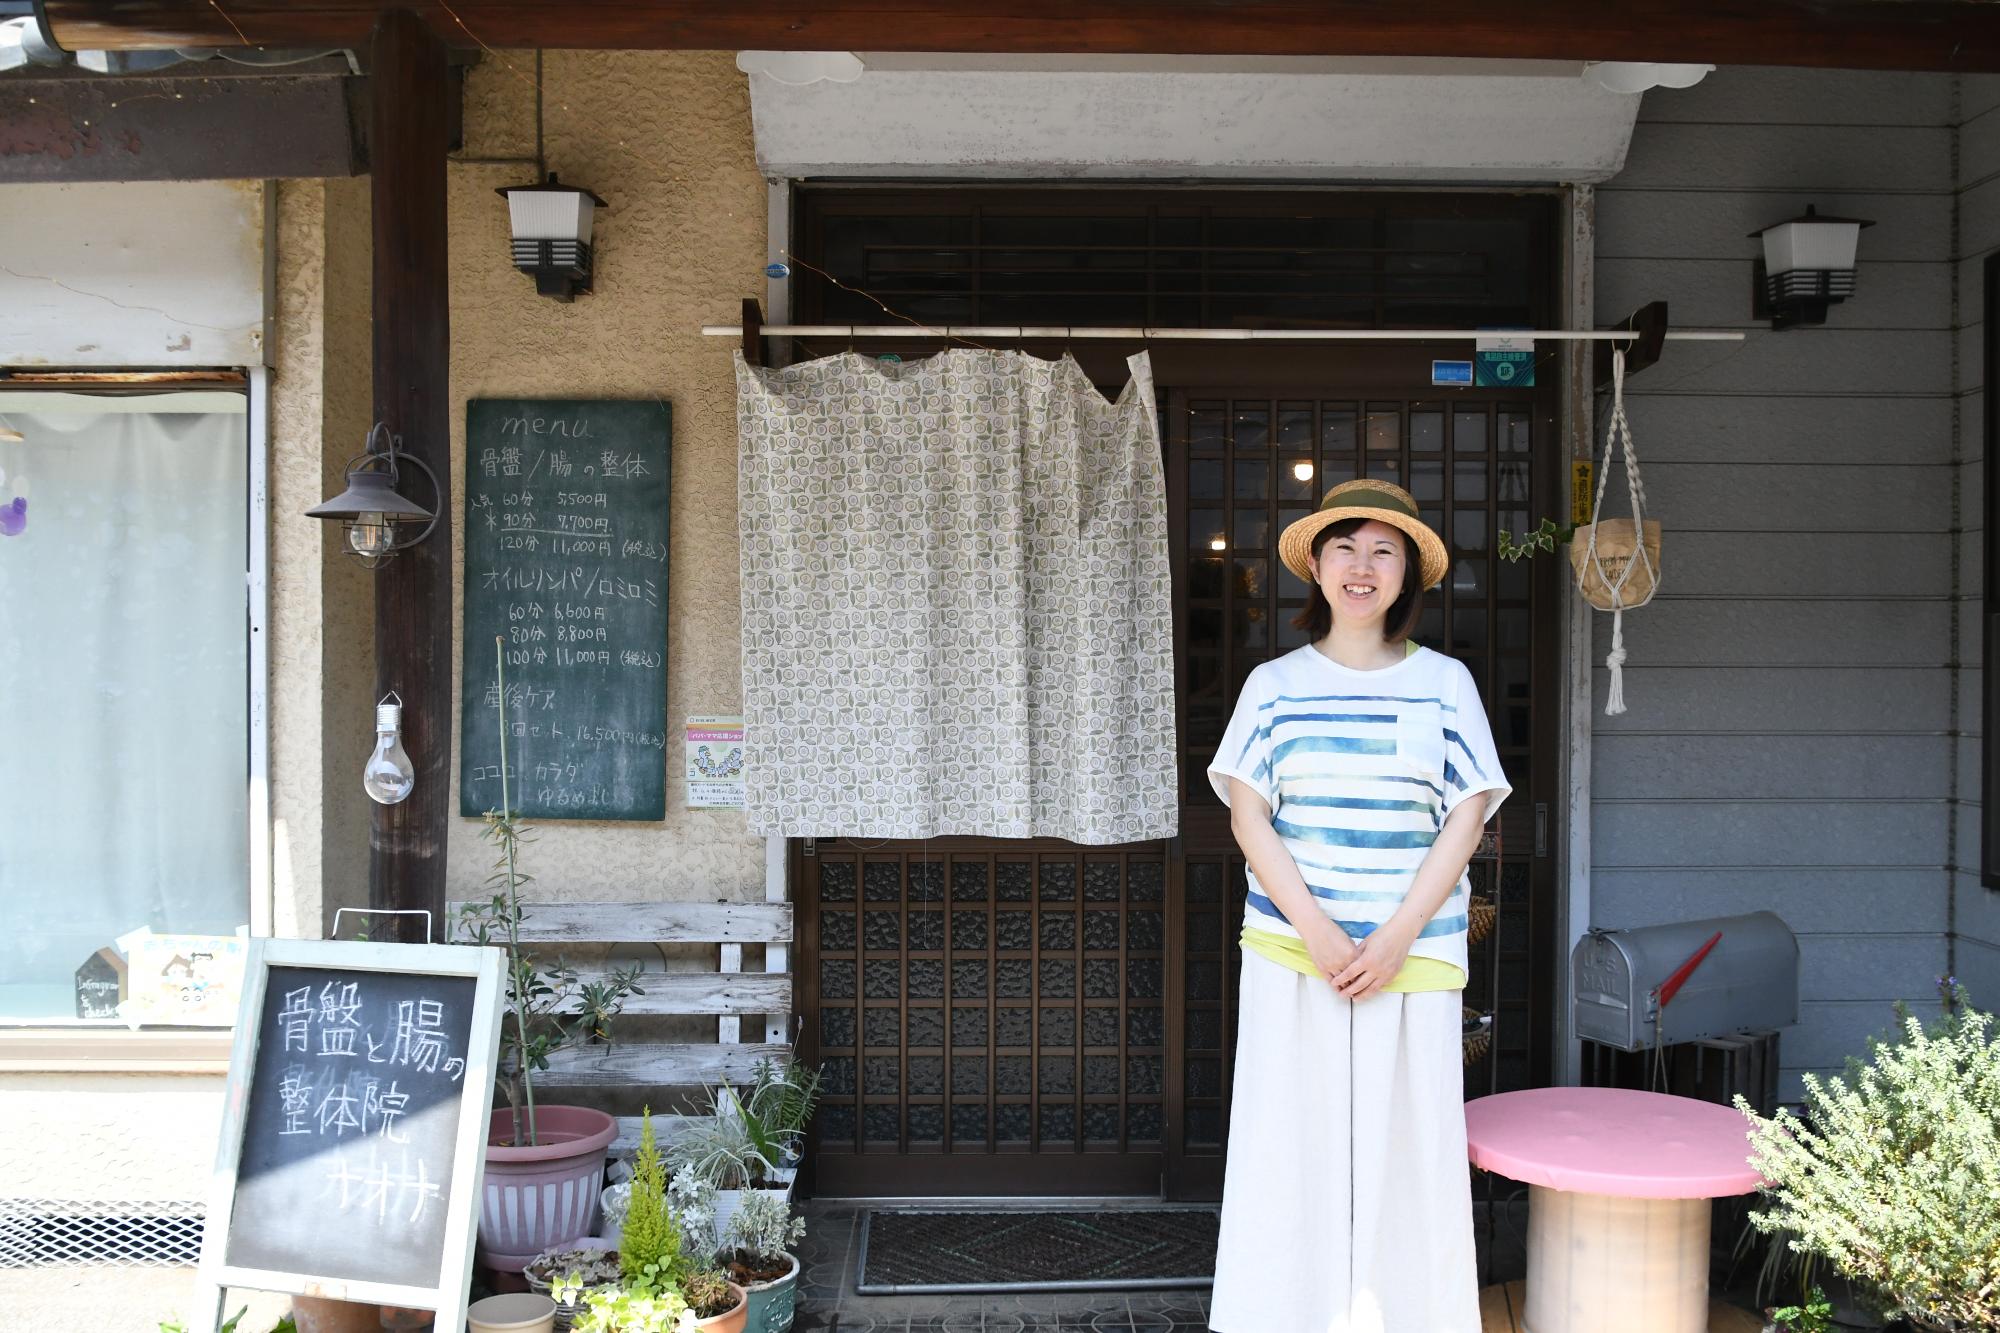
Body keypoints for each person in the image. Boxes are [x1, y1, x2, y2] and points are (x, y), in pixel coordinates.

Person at [1205, 479, 1510, 1333]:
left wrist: (1394, 935)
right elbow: (1246, 810)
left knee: (1408, 1153)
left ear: (1408, 571)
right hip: (1292, 946)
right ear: (1318, 565)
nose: (1362, 565)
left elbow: (1468, 812)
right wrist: (1320, 928)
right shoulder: (1272, 684)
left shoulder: (1447, 685)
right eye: (1346, 546)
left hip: (1411, 956)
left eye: (1384, 549)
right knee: (1286, 1143)